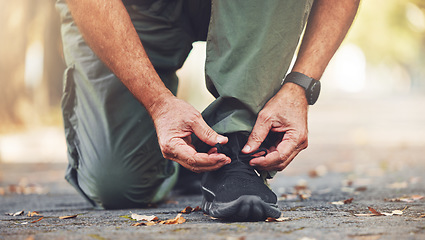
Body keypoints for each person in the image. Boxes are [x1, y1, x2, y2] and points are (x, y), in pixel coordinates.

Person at [56, 0, 360, 221]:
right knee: (116, 186)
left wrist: (299, 85)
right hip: (137, 7)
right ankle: (187, 159)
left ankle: (235, 148)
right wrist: (158, 104)